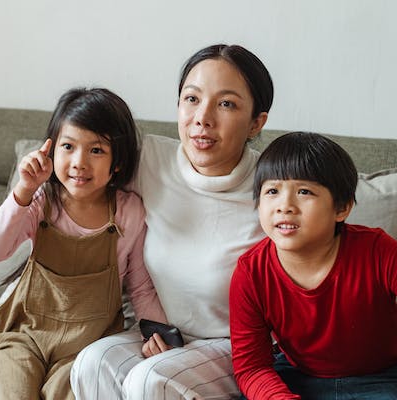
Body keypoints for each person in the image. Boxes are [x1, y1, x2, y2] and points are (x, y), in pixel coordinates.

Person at [70, 44, 273, 399]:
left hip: (235, 345)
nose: (203, 118)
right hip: (160, 330)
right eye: (191, 98)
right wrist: (17, 314)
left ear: (257, 121)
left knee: (150, 381)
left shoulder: (273, 186)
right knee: (92, 361)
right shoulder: (149, 158)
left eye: (226, 104)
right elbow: (67, 205)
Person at [0, 87, 167, 400]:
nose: (79, 162)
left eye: (96, 151)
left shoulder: (129, 212)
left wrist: (159, 334)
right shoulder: (40, 201)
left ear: (117, 162)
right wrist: (23, 192)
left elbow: (140, 288)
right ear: (51, 152)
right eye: (68, 146)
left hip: (86, 345)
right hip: (25, 335)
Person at [229, 131, 397, 399]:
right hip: (299, 376)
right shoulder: (251, 272)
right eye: (272, 191)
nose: (285, 206)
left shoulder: (377, 250)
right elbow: (251, 366)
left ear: (341, 208)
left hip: (384, 377)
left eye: (304, 191)